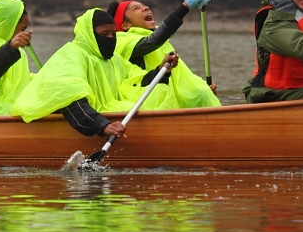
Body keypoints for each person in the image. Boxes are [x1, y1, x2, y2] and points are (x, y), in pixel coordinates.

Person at [13, 8, 179, 137]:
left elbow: (135, 81)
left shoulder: (114, 59)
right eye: (104, 34)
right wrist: (103, 126)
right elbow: (69, 99)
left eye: (113, 33)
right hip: (90, 119)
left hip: (107, 114)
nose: (110, 38)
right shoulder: (70, 55)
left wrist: (161, 70)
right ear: (90, 35)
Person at [106, 0, 220, 109]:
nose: (146, 8)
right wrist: (186, 5)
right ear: (125, 25)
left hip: (171, 101)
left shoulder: (161, 41)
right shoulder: (122, 41)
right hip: (147, 104)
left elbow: (181, 76)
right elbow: (155, 40)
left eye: (144, 6)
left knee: (202, 94)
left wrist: (202, 86)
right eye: (136, 8)